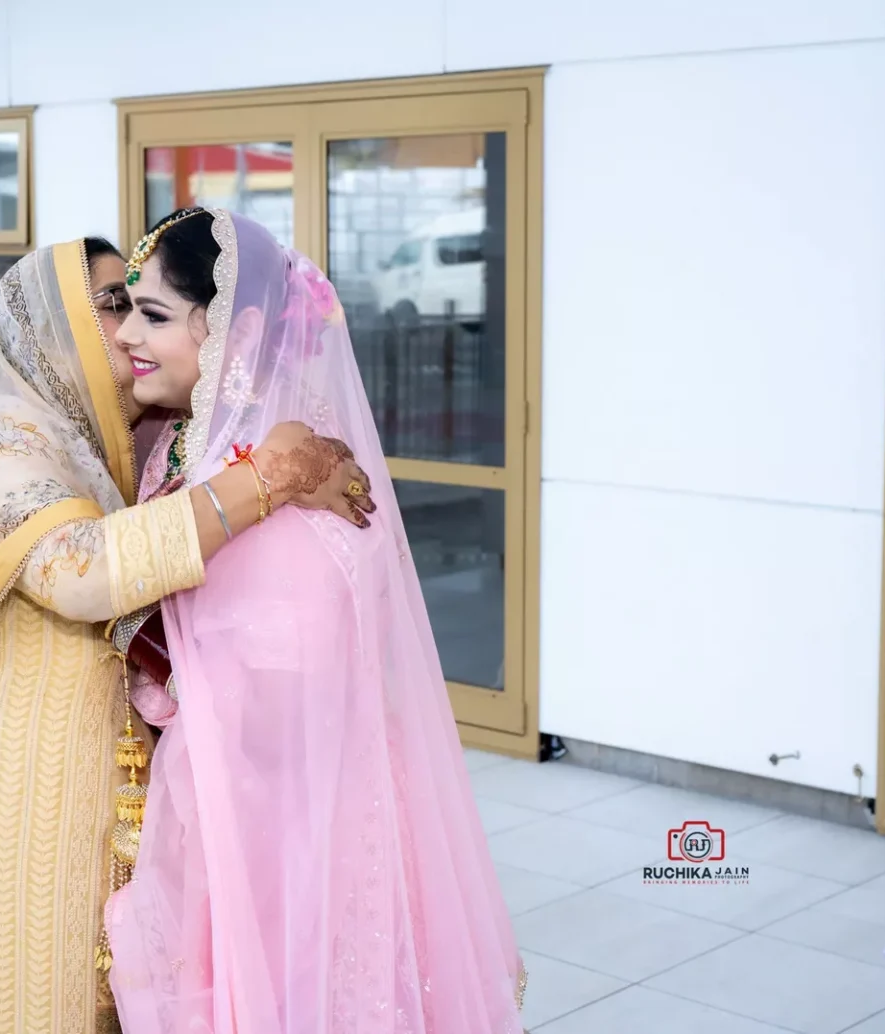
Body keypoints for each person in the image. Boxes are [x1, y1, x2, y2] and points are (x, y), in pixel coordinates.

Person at [0, 236, 372, 1034]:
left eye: (138, 306)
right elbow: (80, 570)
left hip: (38, 790)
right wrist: (264, 480)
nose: (125, 331)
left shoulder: (96, 439)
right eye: (112, 306)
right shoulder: (6, 442)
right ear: (53, 330)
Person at [99, 208, 527, 1032]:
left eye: (152, 315)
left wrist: (155, 692)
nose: (127, 338)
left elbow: (274, 708)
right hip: (227, 805)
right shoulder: (200, 447)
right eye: (127, 314)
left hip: (275, 825)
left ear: (240, 327)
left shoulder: (293, 496)